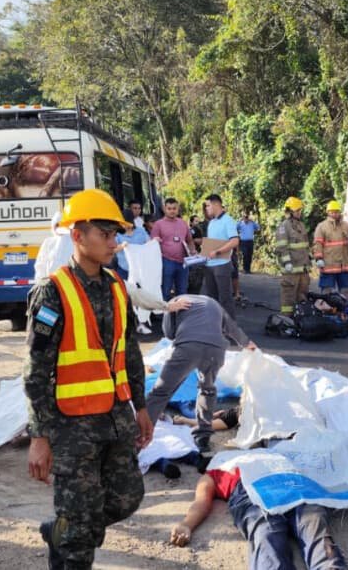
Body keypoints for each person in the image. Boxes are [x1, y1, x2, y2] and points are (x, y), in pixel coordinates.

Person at [24, 189, 153, 569]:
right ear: (78, 236)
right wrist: (39, 436)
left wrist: (140, 407)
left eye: (116, 234)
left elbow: (129, 353)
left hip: (115, 420)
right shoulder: (53, 292)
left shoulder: (116, 287)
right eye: (105, 233)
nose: (114, 242)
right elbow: (35, 370)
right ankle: (68, 537)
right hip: (71, 428)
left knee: (126, 498)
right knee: (79, 538)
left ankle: (60, 530)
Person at [170, 462, 348, 570]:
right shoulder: (220, 469)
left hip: (294, 488)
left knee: (313, 523)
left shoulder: (281, 451)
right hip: (252, 495)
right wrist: (187, 524)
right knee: (265, 531)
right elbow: (201, 501)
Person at [145, 294, 257, 454]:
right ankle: (203, 437)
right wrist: (247, 343)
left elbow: (169, 334)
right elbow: (232, 328)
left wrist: (175, 317)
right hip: (216, 350)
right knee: (207, 389)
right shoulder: (214, 304)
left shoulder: (175, 302)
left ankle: (142, 434)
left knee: (161, 392)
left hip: (187, 348)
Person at [201, 194, 240, 320]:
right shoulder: (211, 222)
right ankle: (215, 325)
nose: (206, 208)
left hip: (222, 264)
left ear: (215, 204)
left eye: (207, 205)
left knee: (225, 298)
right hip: (209, 265)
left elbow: (234, 241)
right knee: (211, 299)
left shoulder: (228, 220)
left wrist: (218, 251)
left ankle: (231, 328)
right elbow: (211, 243)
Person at [151, 198, 196, 300]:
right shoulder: (158, 224)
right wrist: (154, 241)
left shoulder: (183, 223)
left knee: (182, 291)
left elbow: (190, 241)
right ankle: (164, 315)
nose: (172, 211)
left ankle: (181, 315)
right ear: (164, 209)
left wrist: (192, 251)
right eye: (169, 208)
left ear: (178, 209)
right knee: (165, 291)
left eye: (174, 208)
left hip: (183, 262)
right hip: (166, 261)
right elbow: (152, 243)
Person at [275, 196, 312, 316]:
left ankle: (300, 319)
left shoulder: (301, 225)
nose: (299, 212)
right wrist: (287, 262)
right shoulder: (284, 226)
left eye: (300, 210)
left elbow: (305, 246)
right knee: (288, 296)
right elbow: (281, 247)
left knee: (302, 295)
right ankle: (287, 319)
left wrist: (310, 259)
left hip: (303, 269)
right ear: (290, 212)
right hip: (290, 270)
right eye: (297, 210)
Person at [314, 200, 348, 302]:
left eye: (336, 211)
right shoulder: (322, 226)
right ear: (328, 212)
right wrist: (318, 258)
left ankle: (347, 313)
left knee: (347, 292)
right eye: (332, 212)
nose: (334, 214)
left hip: (344, 266)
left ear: (339, 212)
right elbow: (318, 244)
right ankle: (328, 314)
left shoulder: (346, 226)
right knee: (327, 293)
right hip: (328, 266)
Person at [114, 216, 149, 280]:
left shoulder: (140, 230)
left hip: (141, 269)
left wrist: (154, 242)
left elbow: (149, 243)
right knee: (123, 289)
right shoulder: (117, 234)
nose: (127, 226)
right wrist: (121, 246)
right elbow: (113, 250)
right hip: (124, 269)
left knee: (141, 290)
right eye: (124, 224)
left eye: (129, 223)